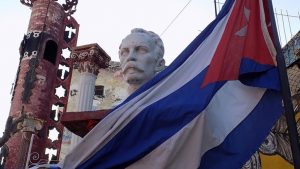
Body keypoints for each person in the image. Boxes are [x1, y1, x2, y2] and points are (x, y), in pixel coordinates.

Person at [118, 28, 165, 94]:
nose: (130, 57)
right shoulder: (119, 104)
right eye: (125, 52)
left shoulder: (171, 102)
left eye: (141, 50)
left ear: (159, 64)